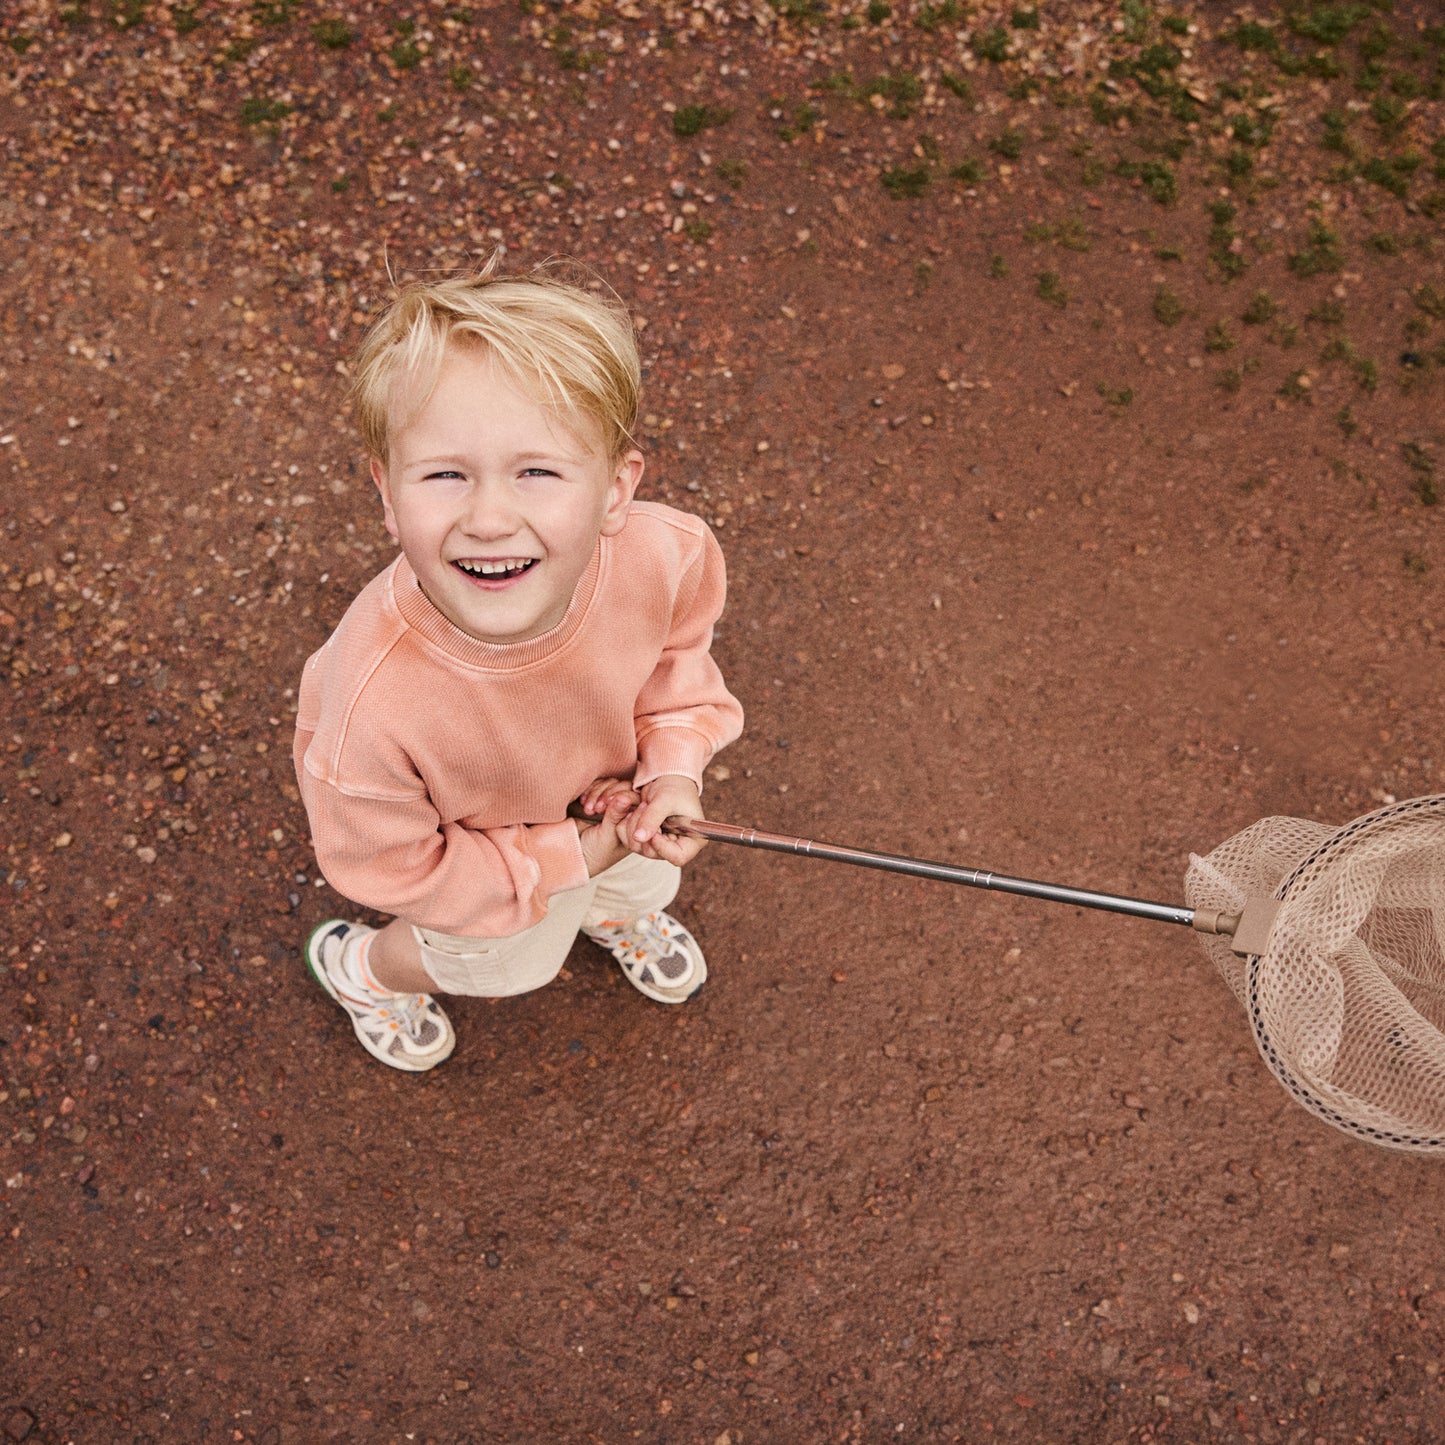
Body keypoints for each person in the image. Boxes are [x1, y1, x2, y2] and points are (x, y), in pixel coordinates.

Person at [292, 258, 743, 1071]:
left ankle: (608, 913)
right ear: (388, 494)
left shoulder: (667, 554)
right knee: (505, 962)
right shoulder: (370, 703)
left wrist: (673, 772)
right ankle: (366, 971)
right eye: (443, 475)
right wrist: (566, 859)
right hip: (489, 888)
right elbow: (395, 864)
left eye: (536, 471)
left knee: (639, 883)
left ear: (614, 488)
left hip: (629, 817)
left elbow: (677, 663)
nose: (490, 517)